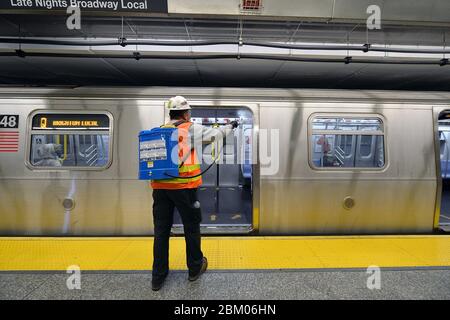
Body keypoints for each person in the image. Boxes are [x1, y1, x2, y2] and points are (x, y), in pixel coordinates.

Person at [151, 96, 238, 291]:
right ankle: (195, 268)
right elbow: (215, 134)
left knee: (161, 232)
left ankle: (158, 277)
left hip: (160, 190)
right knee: (191, 227)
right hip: (184, 188)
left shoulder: (160, 130)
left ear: (170, 113)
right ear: (185, 113)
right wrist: (231, 126)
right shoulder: (189, 128)